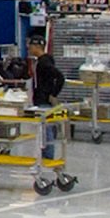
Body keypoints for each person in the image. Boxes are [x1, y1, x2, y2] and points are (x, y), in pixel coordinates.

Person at [27, 35, 66, 169]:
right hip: (40, 99)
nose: (29, 49)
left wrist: (53, 94)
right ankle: (45, 157)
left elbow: (60, 77)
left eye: (31, 46)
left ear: (37, 47)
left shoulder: (44, 63)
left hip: (43, 101)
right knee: (45, 131)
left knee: (46, 131)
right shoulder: (41, 61)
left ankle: (47, 158)